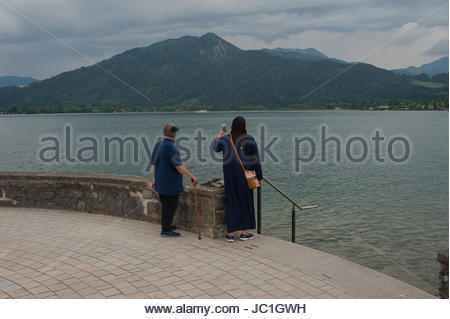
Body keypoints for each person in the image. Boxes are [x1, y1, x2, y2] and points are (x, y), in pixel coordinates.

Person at [214, 116, 263, 242]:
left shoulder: (225, 139)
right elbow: (256, 160)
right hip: (246, 177)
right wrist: (260, 176)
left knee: (232, 202)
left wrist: (219, 136)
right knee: (245, 202)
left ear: (232, 126)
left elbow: (216, 148)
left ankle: (230, 234)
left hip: (230, 177)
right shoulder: (249, 139)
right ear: (244, 126)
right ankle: (244, 232)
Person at [151, 123, 198, 237]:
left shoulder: (159, 144)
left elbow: (153, 165)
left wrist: (154, 179)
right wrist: (192, 176)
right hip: (171, 184)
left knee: (166, 206)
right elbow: (178, 166)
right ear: (174, 134)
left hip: (160, 182)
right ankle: (165, 230)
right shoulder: (171, 147)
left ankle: (167, 226)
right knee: (170, 207)